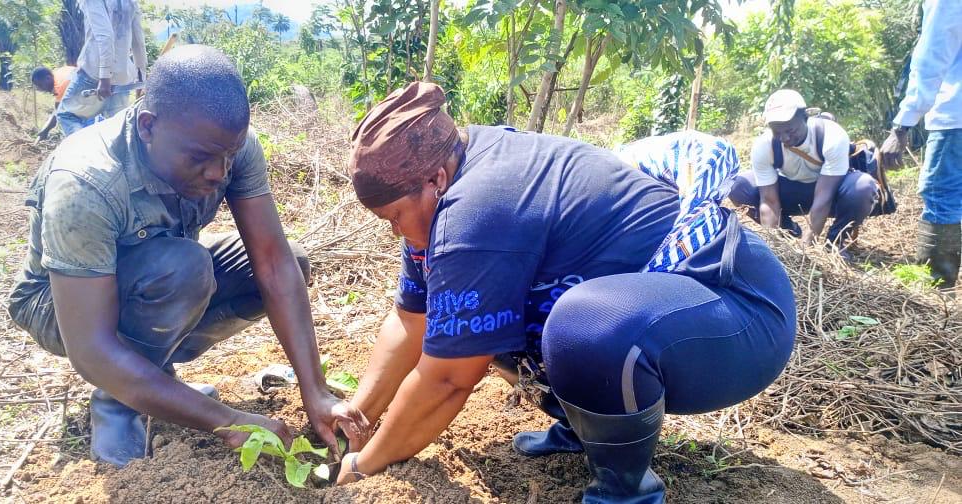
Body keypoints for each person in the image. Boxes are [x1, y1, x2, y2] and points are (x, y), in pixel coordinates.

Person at [333, 82, 796, 504]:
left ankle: (626, 493)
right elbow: (411, 321)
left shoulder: (474, 210)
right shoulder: (443, 191)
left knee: (579, 325)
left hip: (734, 309)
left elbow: (448, 379)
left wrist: (364, 466)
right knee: (477, 320)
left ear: (435, 179)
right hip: (651, 309)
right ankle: (588, 429)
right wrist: (357, 416)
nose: (395, 232)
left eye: (394, 216)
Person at [7, 45, 368, 468]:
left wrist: (316, 391)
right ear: (148, 126)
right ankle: (118, 403)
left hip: (155, 278)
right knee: (183, 268)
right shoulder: (86, 183)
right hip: (61, 306)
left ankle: (156, 380)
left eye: (227, 156)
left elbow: (273, 263)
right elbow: (90, 347)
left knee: (290, 260)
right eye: (199, 158)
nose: (217, 172)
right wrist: (226, 420)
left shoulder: (226, 147)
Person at [729, 89, 878, 254]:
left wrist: (806, 249)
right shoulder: (764, 145)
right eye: (777, 132)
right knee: (738, 186)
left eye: (790, 131)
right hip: (793, 191)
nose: (785, 138)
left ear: (806, 118)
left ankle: (835, 244)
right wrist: (772, 245)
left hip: (832, 193)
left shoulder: (832, 136)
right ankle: (788, 232)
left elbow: (824, 197)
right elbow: (769, 201)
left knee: (863, 187)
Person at [880, 0, 961, 290]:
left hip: (956, 118)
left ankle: (937, 292)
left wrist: (902, 125)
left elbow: (933, 55)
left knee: (942, 194)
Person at [56, 0, 148, 137]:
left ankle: (84, 148)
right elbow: (138, 40)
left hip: (94, 73)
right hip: (123, 77)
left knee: (66, 115)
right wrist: (141, 77)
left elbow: (105, 36)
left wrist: (105, 78)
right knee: (117, 130)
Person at [32, 65, 78, 142]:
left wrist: (45, 131)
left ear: (48, 78)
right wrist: (45, 130)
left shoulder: (61, 86)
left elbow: (58, 112)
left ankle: (75, 138)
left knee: (64, 116)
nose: (40, 89)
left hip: (91, 98)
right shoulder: (57, 73)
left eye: (40, 85)